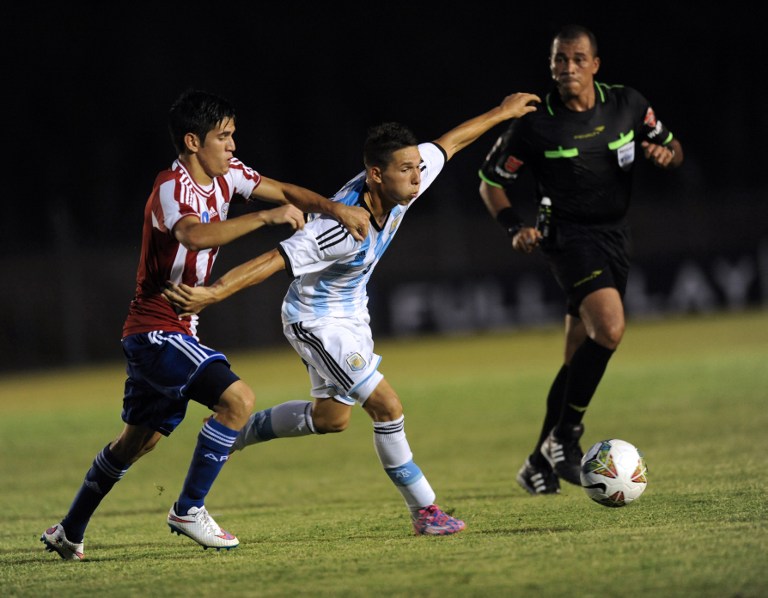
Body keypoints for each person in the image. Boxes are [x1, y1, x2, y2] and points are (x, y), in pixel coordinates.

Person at [162, 91, 541, 535]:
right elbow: (272, 261)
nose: (417, 178)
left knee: (331, 419)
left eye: (417, 168)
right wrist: (213, 293)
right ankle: (425, 511)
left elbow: (451, 143)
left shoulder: (405, 178)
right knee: (387, 407)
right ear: (376, 175)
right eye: (407, 170)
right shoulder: (338, 228)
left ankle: (232, 435)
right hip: (315, 320)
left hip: (352, 313)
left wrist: (502, 112)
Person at [40, 89, 370, 560]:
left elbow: (284, 191)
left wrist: (336, 209)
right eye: (223, 136)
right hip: (156, 329)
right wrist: (265, 217)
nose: (233, 145)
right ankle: (188, 509)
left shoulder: (228, 175)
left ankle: (68, 530)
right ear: (193, 142)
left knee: (138, 442)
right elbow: (192, 235)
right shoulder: (171, 187)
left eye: (233, 135)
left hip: (177, 330)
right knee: (238, 400)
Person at [478, 24, 684, 495]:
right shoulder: (534, 124)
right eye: (559, 59)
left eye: (576, 59)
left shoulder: (627, 104)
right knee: (609, 329)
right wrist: (514, 228)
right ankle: (565, 438)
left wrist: (666, 156)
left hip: (615, 236)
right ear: (551, 66)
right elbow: (490, 182)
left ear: (595, 64)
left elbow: (675, 148)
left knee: (577, 359)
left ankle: (537, 463)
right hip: (566, 237)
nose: (567, 67)